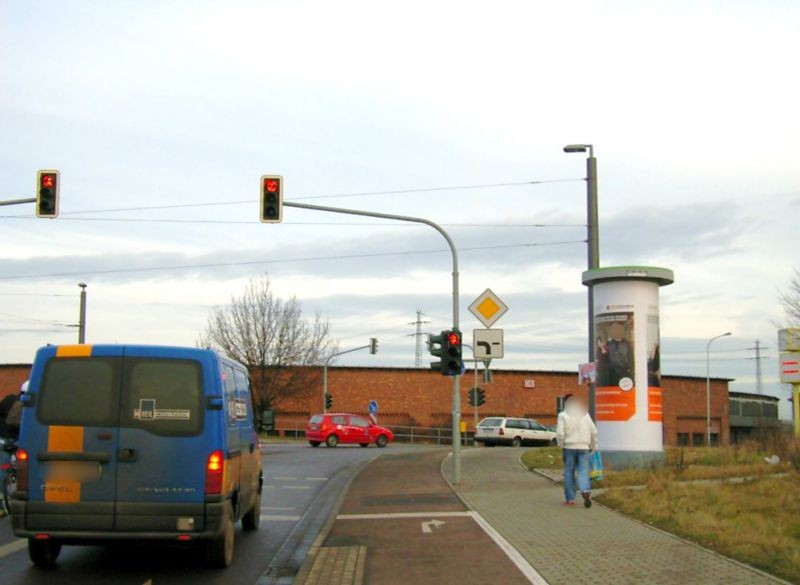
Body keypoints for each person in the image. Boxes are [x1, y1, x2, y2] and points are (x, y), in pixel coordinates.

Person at [556, 393, 598, 508]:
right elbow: (593, 431)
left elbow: (560, 433)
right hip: (584, 447)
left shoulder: (563, 415)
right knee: (583, 472)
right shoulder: (585, 415)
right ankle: (585, 490)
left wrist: (560, 444)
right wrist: (593, 446)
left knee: (569, 473)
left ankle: (570, 498)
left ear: (566, 403)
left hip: (569, 447)